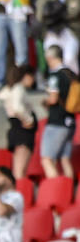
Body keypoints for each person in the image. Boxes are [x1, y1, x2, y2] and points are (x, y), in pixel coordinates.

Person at [42, 46, 77, 180]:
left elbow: (53, 99)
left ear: (50, 57)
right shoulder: (71, 74)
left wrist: (45, 102)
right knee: (65, 159)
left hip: (57, 122)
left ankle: (57, 188)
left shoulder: (54, 76)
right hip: (70, 121)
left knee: (47, 159)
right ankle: (69, 189)